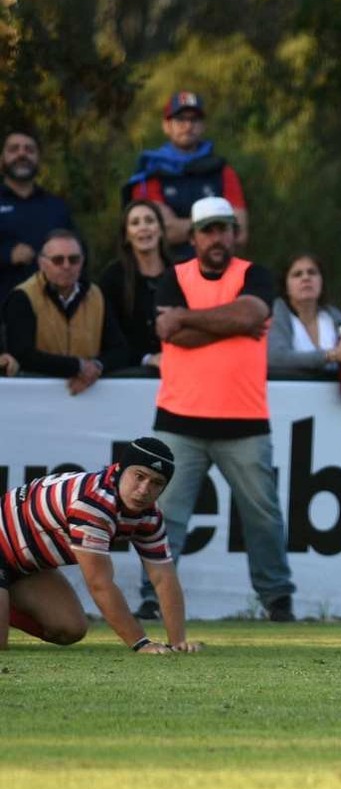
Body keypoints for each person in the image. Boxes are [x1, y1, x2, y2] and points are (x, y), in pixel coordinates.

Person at [140, 197, 294, 623]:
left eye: (224, 228)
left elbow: (250, 314)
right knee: (165, 517)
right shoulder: (174, 276)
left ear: (235, 232)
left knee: (262, 516)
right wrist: (234, 324)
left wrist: (189, 319)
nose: (217, 237)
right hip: (178, 419)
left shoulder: (255, 274)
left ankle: (277, 600)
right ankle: (152, 597)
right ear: (192, 237)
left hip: (244, 421)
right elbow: (173, 334)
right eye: (208, 229)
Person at [1, 438, 201, 654]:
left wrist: (177, 642)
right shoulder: (92, 503)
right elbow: (99, 584)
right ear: (120, 469)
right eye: (139, 477)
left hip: (23, 565)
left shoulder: (150, 516)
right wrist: (141, 643)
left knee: (69, 629)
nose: (144, 489)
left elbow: (164, 578)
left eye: (156, 483)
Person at [3, 227, 127, 388]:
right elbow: (23, 354)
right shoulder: (22, 296)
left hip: (89, 396)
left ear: (82, 262)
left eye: (73, 259)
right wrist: (77, 367)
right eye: (58, 260)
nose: (66, 266)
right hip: (37, 396)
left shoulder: (97, 296)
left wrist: (96, 366)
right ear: (42, 263)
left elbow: (120, 349)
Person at [125, 92, 248, 254]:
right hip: (168, 271)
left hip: (216, 269)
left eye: (194, 119)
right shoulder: (150, 173)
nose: (188, 126)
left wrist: (182, 225)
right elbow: (164, 231)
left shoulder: (222, 171)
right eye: (180, 119)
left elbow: (240, 233)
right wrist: (218, 226)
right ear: (166, 125)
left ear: (203, 126)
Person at [0, 129, 75, 296]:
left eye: (29, 149)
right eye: (14, 149)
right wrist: (7, 254)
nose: (22, 154)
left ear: (38, 160)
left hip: (50, 312)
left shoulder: (56, 207)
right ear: (1, 160)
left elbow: (79, 255)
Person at [97, 200, 171, 370]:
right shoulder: (113, 278)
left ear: (160, 230)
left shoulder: (180, 274)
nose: (143, 227)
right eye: (135, 223)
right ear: (127, 236)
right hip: (131, 375)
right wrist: (148, 359)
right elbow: (108, 336)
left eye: (149, 221)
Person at [266, 254, 341, 375]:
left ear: (321, 281)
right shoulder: (279, 312)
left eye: (312, 272)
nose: (306, 278)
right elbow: (276, 357)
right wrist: (330, 356)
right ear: (286, 287)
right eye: (297, 274)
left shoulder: (333, 315)